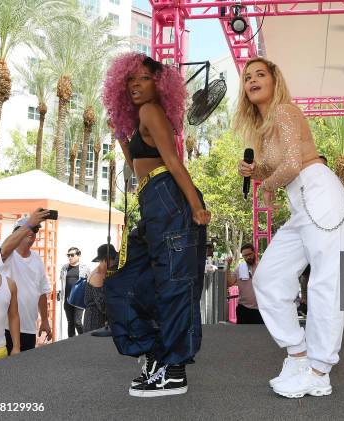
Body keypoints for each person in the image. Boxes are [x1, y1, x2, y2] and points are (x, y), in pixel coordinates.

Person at [234, 57, 344, 399]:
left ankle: (319, 371)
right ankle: (298, 355)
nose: (252, 80)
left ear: (274, 80)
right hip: (301, 203)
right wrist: (253, 173)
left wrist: (267, 184)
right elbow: (278, 167)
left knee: (326, 284)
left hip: (319, 193)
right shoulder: (265, 125)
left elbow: (293, 163)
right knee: (268, 277)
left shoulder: (285, 111)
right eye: (247, 77)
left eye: (260, 74)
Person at [102, 52, 210, 398]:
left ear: (159, 84)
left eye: (143, 78)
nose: (135, 85)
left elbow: (173, 162)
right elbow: (137, 167)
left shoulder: (151, 111)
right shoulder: (140, 119)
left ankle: (174, 369)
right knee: (130, 281)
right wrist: (121, 135)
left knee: (173, 284)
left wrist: (196, 206)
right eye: (130, 80)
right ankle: (157, 354)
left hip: (169, 199)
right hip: (153, 201)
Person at [0, 209, 52, 354]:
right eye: (28, 228)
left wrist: (45, 320)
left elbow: (41, 292)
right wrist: (28, 224)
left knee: (24, 371)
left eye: (35, 229)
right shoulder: (8, 256)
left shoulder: (36, 259)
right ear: (16, 233)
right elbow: (3, 250)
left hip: (28, 327)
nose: (32, 232)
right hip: (5, 327)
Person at [225, 243, 263, 324]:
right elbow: (230, 283)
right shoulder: (240, 269)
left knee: (259, 335)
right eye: (245, 256)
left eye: (249, 254)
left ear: (254, 252)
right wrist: (228, 265)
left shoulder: (262, 267)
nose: (248, 257)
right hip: (243, 309)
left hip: (260, 309)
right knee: (243, 335)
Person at [83, 244, 116, 333]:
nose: (114, 262)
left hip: (98, 319)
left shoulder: (101, 272)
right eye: (113, 259)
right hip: (95, 321)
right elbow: (103, 305)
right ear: (107, 259)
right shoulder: (98, 276)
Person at [59, 247, 90, 338]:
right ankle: (71, 344)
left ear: (78, 255)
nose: (70, 257)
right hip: (67, 300)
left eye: (72, 255)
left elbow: (89, 283)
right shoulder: (64, 268)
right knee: (70, 323)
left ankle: (85, 339)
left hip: (79, 301)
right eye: (68, 255)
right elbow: (62, 282)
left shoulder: (85, 268)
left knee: (77, 322)